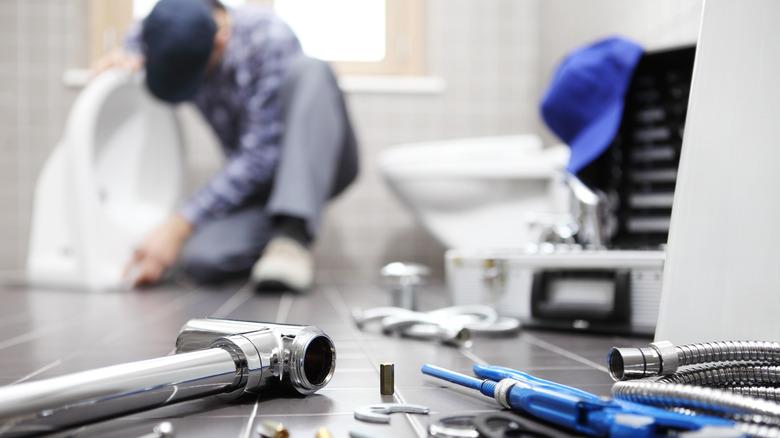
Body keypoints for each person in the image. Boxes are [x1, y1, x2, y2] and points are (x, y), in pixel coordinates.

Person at [94, 0, 359, 291]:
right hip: (259, 188)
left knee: (311, 70)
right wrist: (128, 51)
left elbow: (261, 155)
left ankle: (292, 238)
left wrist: (178, 225)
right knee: (201, 258)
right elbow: (142, 31)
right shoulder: (170, 30)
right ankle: (276, 242)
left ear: (220, 40)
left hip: (318, 158)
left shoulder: (267, 36)